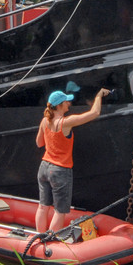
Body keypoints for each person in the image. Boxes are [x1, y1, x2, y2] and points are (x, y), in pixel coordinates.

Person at [34, 86, 110, 234]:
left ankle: (39, 236)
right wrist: (99, 96)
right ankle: (50, 242)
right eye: (66, 102)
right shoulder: (65, 122)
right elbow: (95, 112)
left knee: (43, 207)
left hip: (44, 167)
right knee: (60, 210)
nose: (69, 104)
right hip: (60, 170)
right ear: (59, 105)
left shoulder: (44, 121)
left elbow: (39, 143)